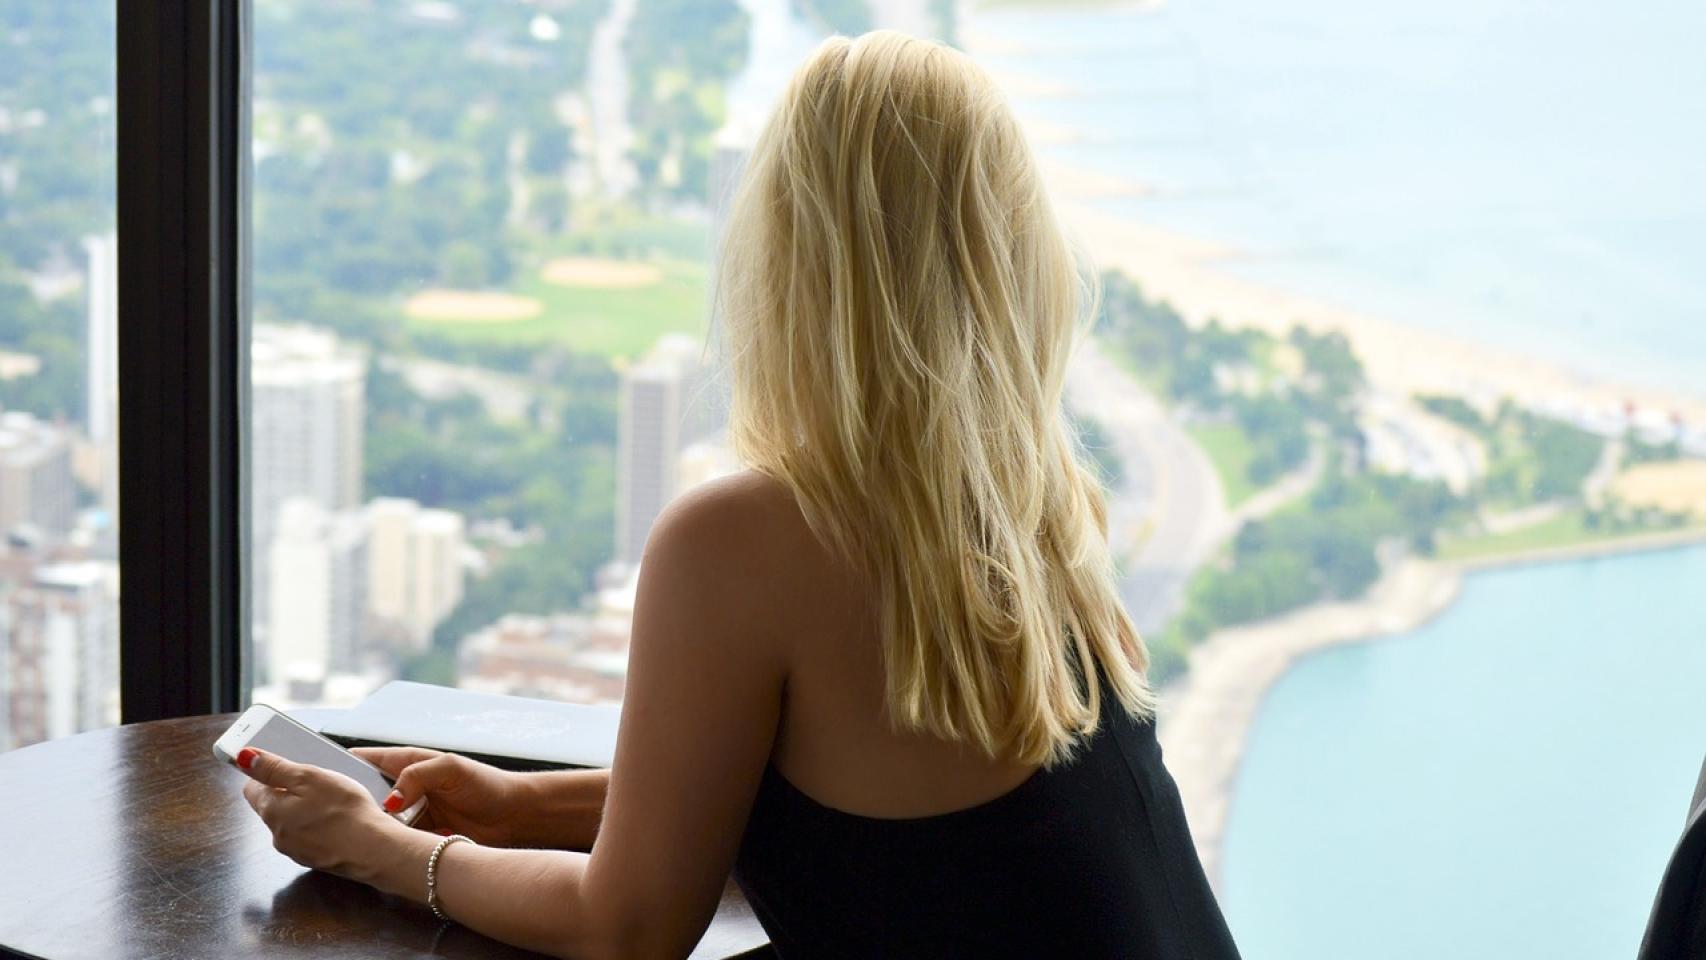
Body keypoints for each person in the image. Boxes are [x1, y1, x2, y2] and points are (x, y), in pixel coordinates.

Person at [235, 30, 1242, 959]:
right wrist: (520, 805)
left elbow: (631, 926)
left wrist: (379, 847)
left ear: (784, 260)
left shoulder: (747, 540)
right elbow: (897, 822)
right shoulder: (1037, 508)